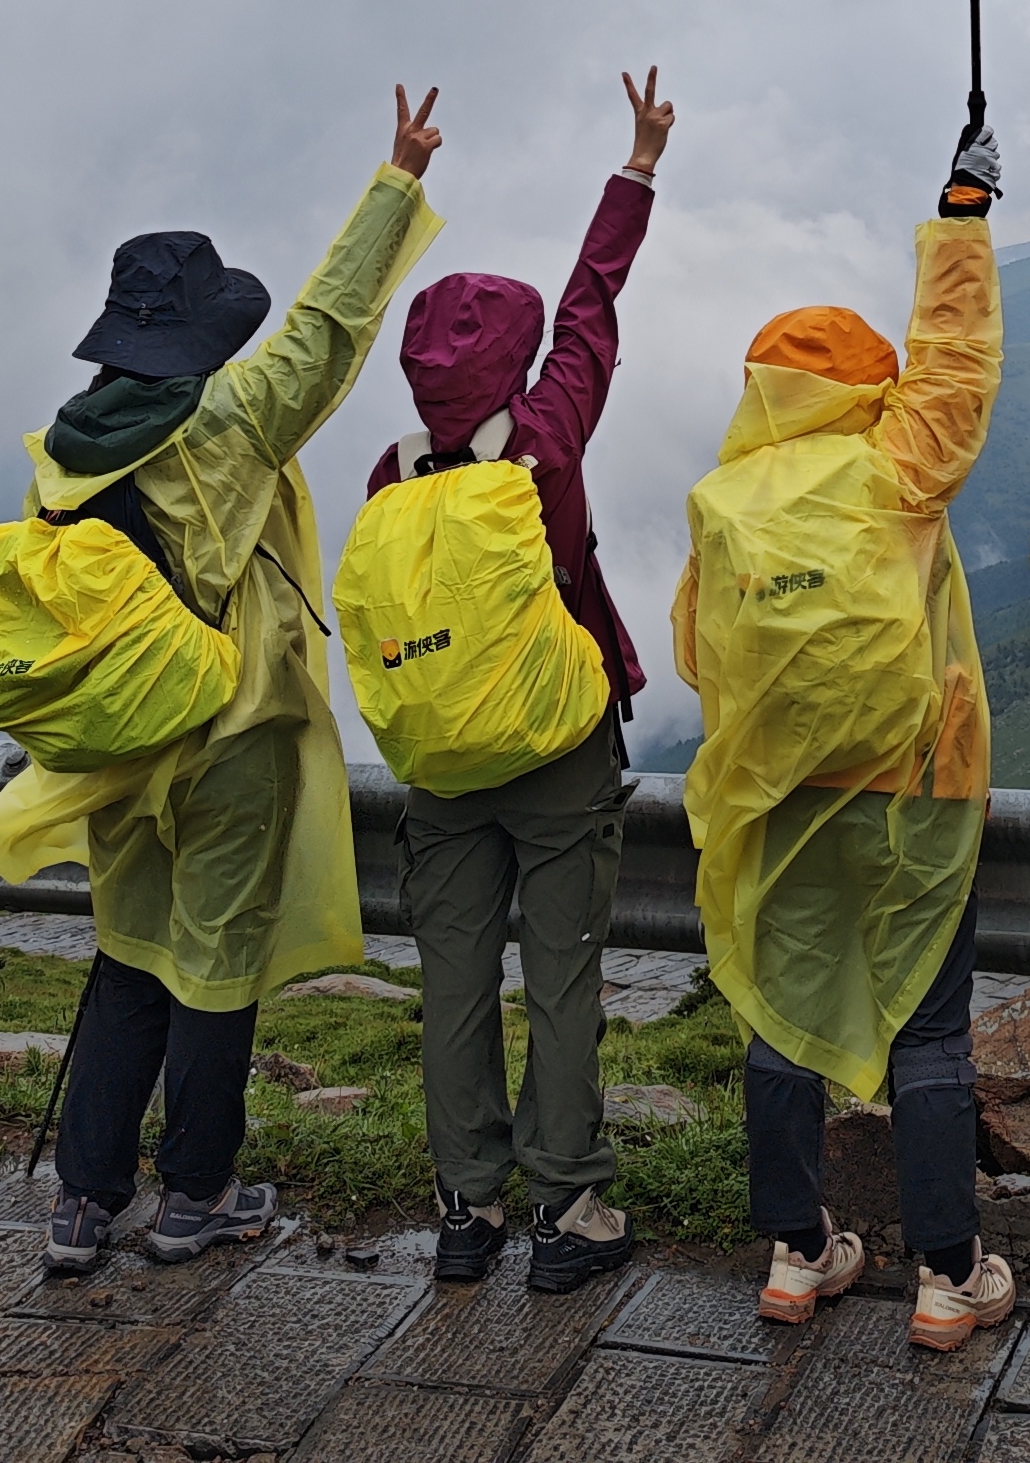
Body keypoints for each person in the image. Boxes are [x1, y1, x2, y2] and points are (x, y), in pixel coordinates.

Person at [0, 87, 449, 1275]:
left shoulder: (64, 448)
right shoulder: (234, 419)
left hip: (118, 741)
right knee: (215, 961)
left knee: (128, 951)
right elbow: (328, 326)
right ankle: (197, 1196)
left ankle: (81, 1206)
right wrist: (397, 181)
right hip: (228, 734)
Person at [676, 113, 1010, 1353]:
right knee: (927, 1026)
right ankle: (947, 1275)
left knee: (780, 1014)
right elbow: (956, 364)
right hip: (916, 791)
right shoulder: (895, 468)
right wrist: (961, 216)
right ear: (866, 388)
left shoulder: (723, 500)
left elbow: (697, 655)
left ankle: (795, 1251)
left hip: (783, 798)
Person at [362, 68, 675, 1294]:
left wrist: (396, 184)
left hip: (442, 761)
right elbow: (593, 305)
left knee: (451, 984)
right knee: (560, 979)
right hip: (555, 753)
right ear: (514, 360)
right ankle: (569, 1209)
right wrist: (636, 167)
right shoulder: (543, 440)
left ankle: (467, 1209)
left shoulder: (393, 476)